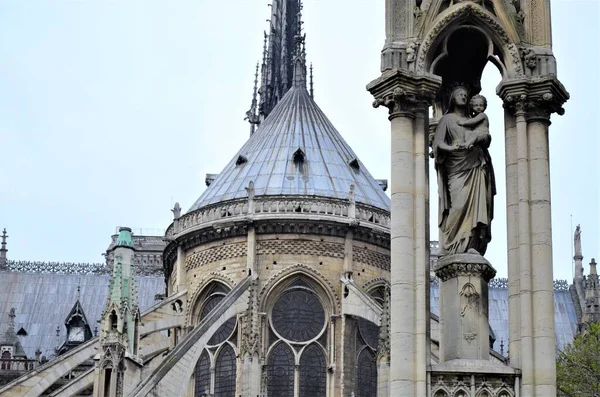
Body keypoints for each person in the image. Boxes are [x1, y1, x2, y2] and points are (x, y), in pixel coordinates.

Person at [432, 86, 496, 256]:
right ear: (453, 97)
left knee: (477, 205)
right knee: (458, 206)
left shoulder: (474, 119)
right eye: (460, 94)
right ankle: (450, 244)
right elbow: (437, 143)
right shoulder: (447, 120)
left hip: (476, 165)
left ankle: (472, 243)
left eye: (466, 95)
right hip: (456, 167)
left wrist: (483, 138)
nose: (463, 97)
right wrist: (451, 149)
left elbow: (485, 136)